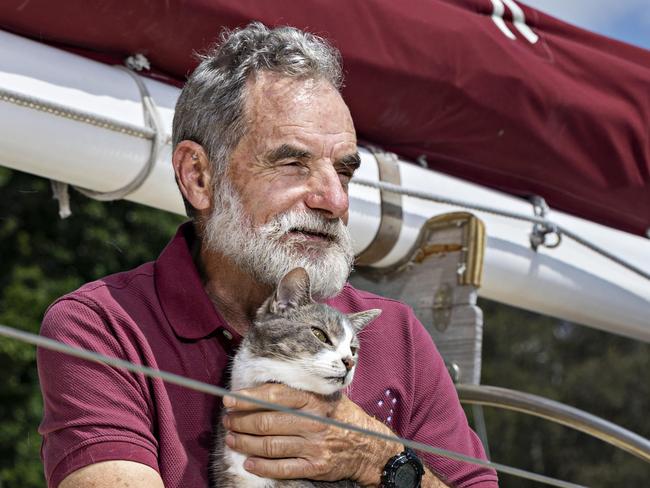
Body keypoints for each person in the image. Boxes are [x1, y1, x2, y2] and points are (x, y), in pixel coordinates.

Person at [38, 22, 499, 488]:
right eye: (293, 164)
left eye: (343, 172)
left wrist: (378, 458)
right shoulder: (103, 327)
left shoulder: (396, 335)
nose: (334, 201)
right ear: (198, 176)